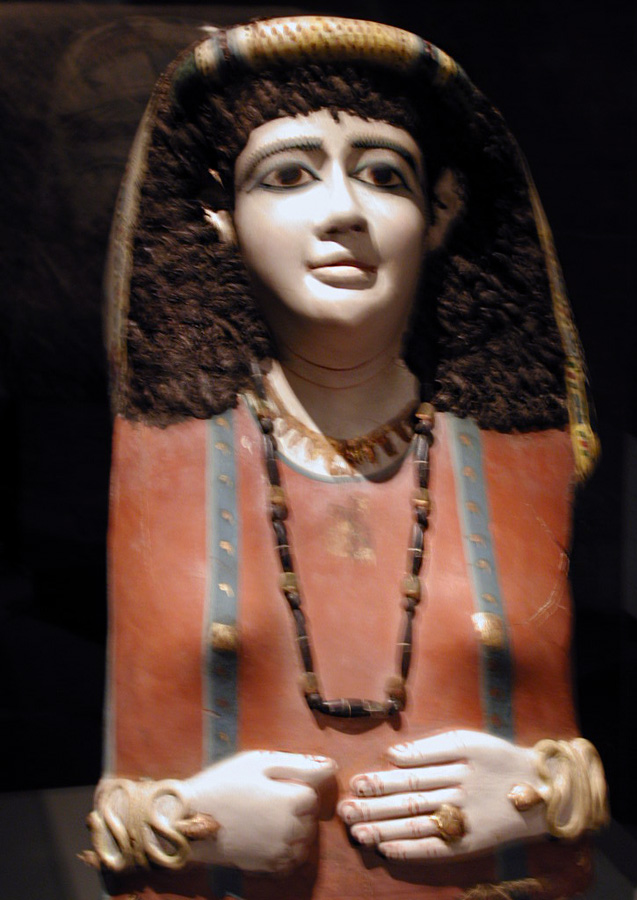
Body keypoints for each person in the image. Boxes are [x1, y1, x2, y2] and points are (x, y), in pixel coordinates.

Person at [89, 16, 607, 900]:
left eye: (382, 175)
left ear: (441, 211)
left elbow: (568, 764)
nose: (342, 212)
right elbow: (122, 803)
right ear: (220, 214)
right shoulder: (166, 458)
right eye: (287, 175)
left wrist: (539, 797)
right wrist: (189, 818)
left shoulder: (520, 454)